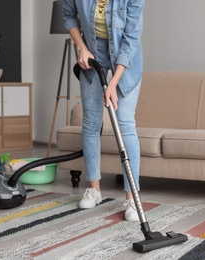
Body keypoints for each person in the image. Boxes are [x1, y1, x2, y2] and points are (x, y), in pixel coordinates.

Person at [63, 0, 144, 221]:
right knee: (90, 122)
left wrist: (113, 83)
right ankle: (94, 190)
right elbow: (69, 16)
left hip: (126, 58)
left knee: (125, 123)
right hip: (91, 54)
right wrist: (81, 47)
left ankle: (132, 199)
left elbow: (131, 37)